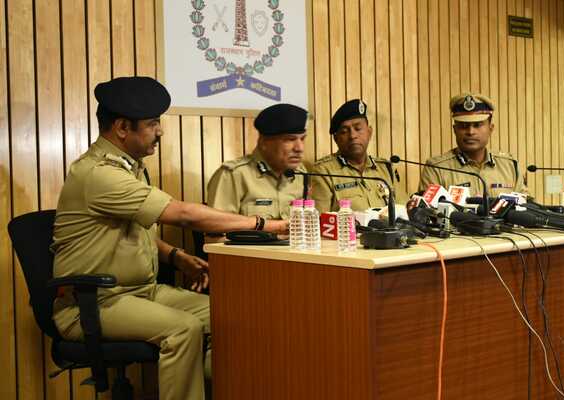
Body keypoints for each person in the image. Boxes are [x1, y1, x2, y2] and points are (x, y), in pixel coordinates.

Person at [51, 76, 288, 400]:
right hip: (93, 302)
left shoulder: (129, 167)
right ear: (122, 127)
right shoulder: (99, 174)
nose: (160, 131)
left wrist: (175, 256)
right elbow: (184, 214)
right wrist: (266, 225)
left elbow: (128, 234)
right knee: (183, 329)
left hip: (141, 291)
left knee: (234, 316)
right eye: (153, 124)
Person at [207, 103, 308, 219]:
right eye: (289, 139)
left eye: (302, 139)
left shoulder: (301, 174)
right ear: (264, 142)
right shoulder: (234, 175)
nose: (299, 148)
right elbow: (216, 228)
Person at [419, 93, 527, 197]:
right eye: (464, 126)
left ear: (490, 128)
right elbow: (427, 208)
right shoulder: (437, 169)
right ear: (455, 130)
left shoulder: (509, 166)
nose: (470, 132)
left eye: (477, 125)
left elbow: (525, 205)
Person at [309, 99, 407, 212]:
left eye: (358, 128)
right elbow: (320, 219)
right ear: (336, 139)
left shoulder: (386, 169)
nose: (352, 136)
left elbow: (404, 210)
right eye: (344, 131)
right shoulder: (324, 172)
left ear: (369, 132)